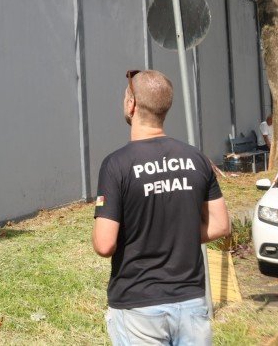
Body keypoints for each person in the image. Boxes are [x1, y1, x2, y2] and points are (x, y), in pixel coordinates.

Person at [92, 70, 230, 346]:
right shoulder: (196, 158)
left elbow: (104, 245)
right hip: (191, 301)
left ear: (132, 105)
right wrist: (181, 233)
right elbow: (220, 225)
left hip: (137, 305)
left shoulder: (116, 165)